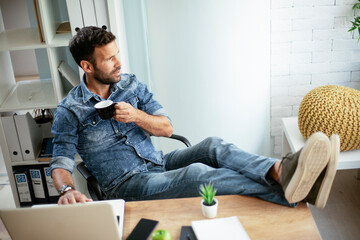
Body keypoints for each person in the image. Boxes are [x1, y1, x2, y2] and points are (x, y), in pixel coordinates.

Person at [50, 26, 339, 208]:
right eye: (109, 59)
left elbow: (166, 128)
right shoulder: (70, 110)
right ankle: (295, 190)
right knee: (197, 174)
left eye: (118, 54)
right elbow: (60, 162)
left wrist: (137, 116)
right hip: (127, 185)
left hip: (158, 163)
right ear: (87, 66)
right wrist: (65, 189)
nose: (119, 63)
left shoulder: (130, 84)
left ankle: (279, 169)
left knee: (213, 146)